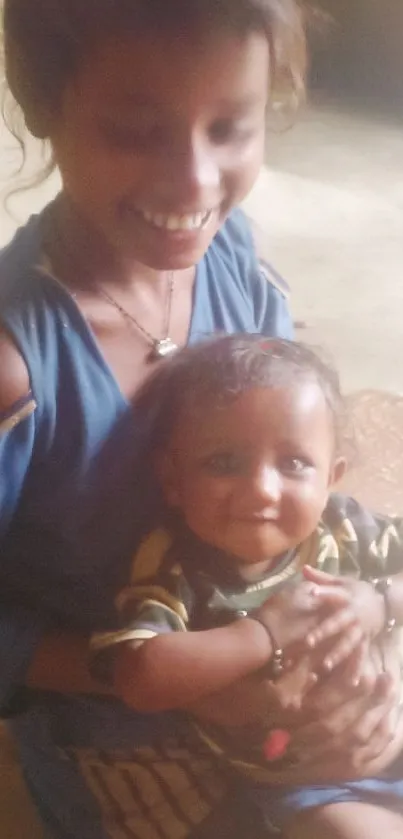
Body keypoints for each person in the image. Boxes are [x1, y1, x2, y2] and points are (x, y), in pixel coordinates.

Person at [0, 1, 401, 838]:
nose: (193, 184)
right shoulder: (16, 369)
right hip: (122, 718)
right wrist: (213, 671)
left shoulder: (234, 258)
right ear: (41, 103)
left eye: (229, 128)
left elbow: (298, 475)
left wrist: (360, 621)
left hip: (269, 640)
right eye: (135, 131)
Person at [89, 334, 403, 838]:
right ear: (173, 480)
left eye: (294, 463)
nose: (261, 488)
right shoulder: (178, 567)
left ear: (332, 477)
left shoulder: (343, 526)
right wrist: (261, 636)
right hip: (313, 781)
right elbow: (139, 675)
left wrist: (380, 600)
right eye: (223, 463)